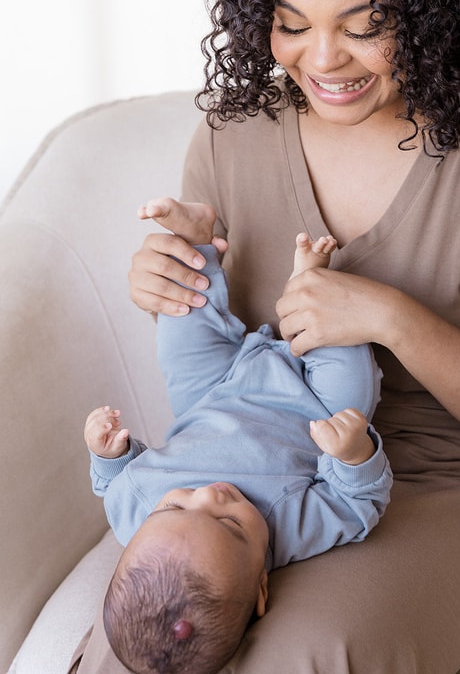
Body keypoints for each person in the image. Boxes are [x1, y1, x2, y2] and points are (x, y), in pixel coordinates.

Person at [72, 0, 460, 674]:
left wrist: (388, 318)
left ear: (430, 15)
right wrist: (165, 281)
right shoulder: (232, 136)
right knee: (141, 652)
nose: (324, 61)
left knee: (306, 657)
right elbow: (213, 354)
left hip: (435, 483)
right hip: (243, 480)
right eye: (292, 23)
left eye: (362, 26)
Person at [83, 209, 391, 674]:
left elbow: (114, 482)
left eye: (175, 507)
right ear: (261, 586)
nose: (211, 494)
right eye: (230, 525)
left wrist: (109, 452)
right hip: (308, 402)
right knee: (353, 390)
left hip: (210, 394)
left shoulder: (131, 512)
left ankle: (193, 246)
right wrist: (352, 455)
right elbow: (357, 504)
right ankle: (312, 293)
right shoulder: (292, 529)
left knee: (179, 338)